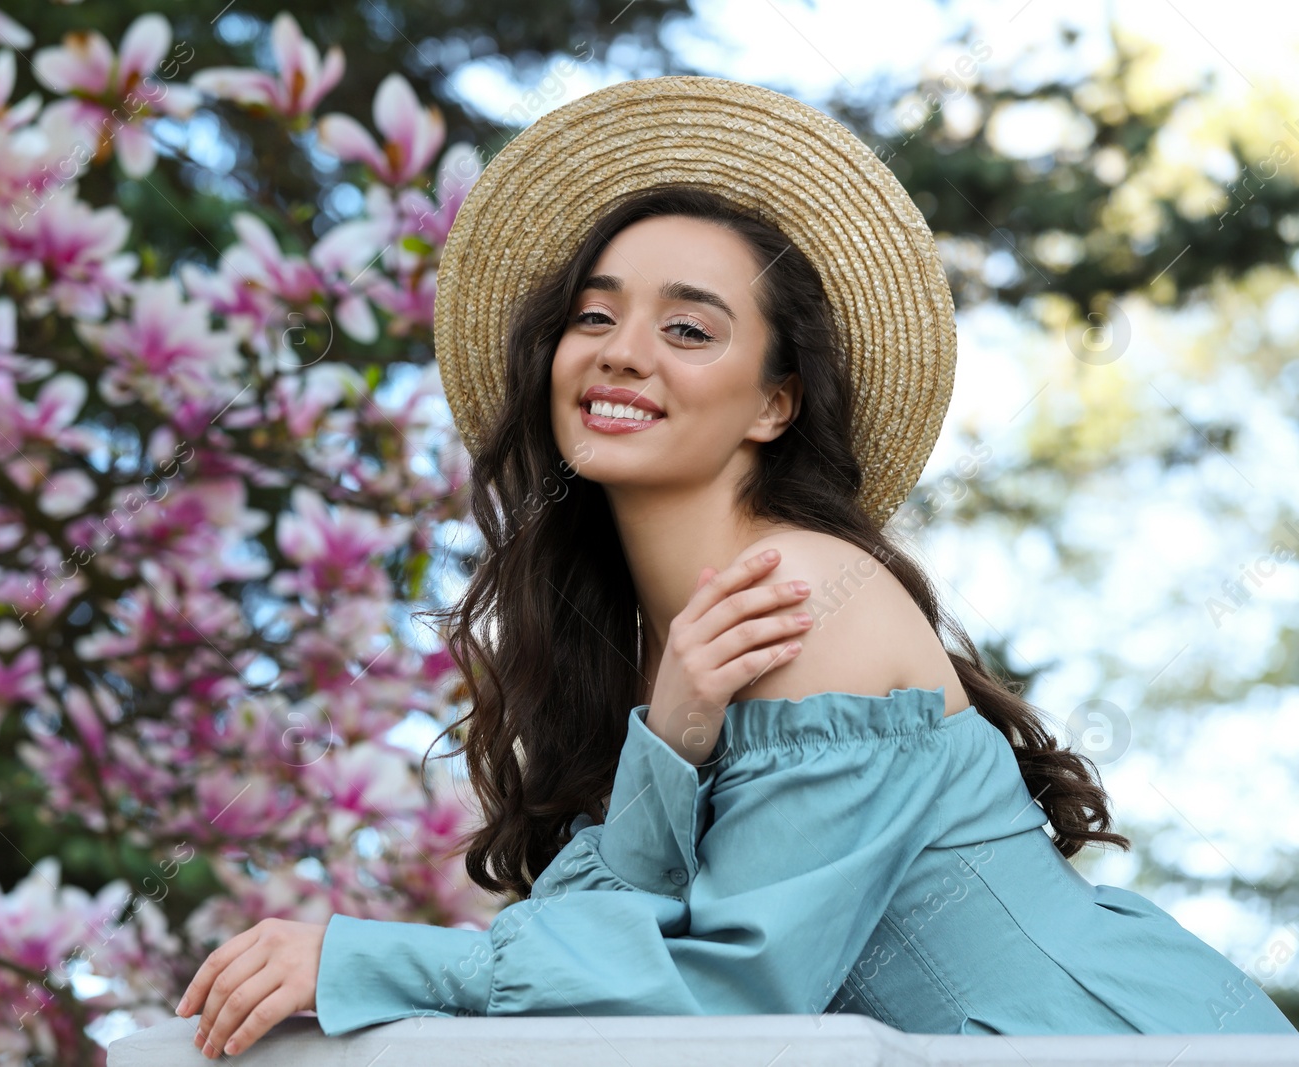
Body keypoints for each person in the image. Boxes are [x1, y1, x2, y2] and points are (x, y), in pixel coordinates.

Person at [172, 76, 1299, 1058]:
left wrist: (364, 958)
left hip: (1105, 1045)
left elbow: (726, 990)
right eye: (592, 314)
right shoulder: (656, 648)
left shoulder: (810, 595)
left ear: (775, 400)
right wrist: (665, 741)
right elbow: (620, 921)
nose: (620, 349)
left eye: (689, 329)